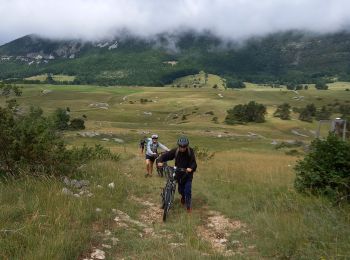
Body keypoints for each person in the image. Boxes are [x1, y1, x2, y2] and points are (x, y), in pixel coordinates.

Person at [157, 136, 197, 213]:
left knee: (187, 190)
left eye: (184, 146)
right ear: (178, 145)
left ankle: (188, 206)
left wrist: (191, 168)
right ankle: (183, 197)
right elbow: (166, 156)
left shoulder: (190, 151)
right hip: (178, 173)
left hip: (187, 174)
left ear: (187, 146)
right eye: (181, 146)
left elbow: (194, 163)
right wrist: (160, 161)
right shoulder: (176, 151)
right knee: (181, 190)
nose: (182, 148)